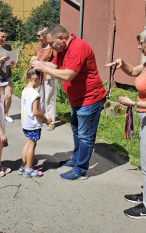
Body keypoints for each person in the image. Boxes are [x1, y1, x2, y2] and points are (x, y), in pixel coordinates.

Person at [105, 25, 146, 220]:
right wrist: (121, 62)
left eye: (141, 43)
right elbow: (133, 71)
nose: (139, 47)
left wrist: (134, 102)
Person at [31, 24, 106, 181]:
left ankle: (80, 170)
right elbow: (54, 65)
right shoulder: (62, 49)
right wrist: (40, 62)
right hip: (77, 100)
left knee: (85, 136)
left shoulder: (78, 48)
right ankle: (76, 160)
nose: (50, 47)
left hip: (90, 99)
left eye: (51, 43)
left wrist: (43, 68)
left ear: (61, 38)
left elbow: (68, 75)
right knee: (77, 132)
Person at [19, 68, 52, 177]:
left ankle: (22, 166)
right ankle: (28, 170)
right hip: (33, 124)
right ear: (35, 79)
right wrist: (46, 120)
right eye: (40, 80)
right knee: (32, 146)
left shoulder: (24, 91)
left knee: (27, 144)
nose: (41, 82)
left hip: (25, 123)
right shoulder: (35, 94)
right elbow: (35, 111)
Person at [34, 27, 57, 131]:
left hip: (49, 76)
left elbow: (57, 62)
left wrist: (51, 73)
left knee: (49, 99)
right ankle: (42, 118)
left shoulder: (52, 47)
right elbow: (35, 56)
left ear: (45, 35)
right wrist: (33, 59)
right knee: (39, 98)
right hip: (38, 76)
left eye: (39, 36)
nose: (38, 38)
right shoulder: (39, 46)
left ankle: (51, 121)